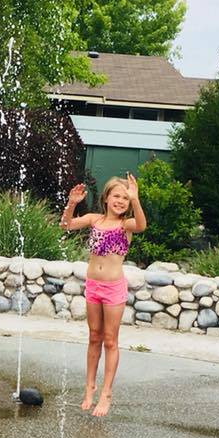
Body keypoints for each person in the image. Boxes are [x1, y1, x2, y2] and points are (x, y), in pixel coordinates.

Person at [60, 174, 146, 417]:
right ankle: (89, 387)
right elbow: (65, 225)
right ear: (106, 198)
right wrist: (72, 203)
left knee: (110, 340)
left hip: (113, 289)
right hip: (93, 286)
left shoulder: (125, 225)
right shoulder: (93, 220)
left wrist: (136, 199)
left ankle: (106, 393)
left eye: (125, 198)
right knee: (94, 337)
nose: (121, 201)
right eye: (116, 196)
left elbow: (141, 226)